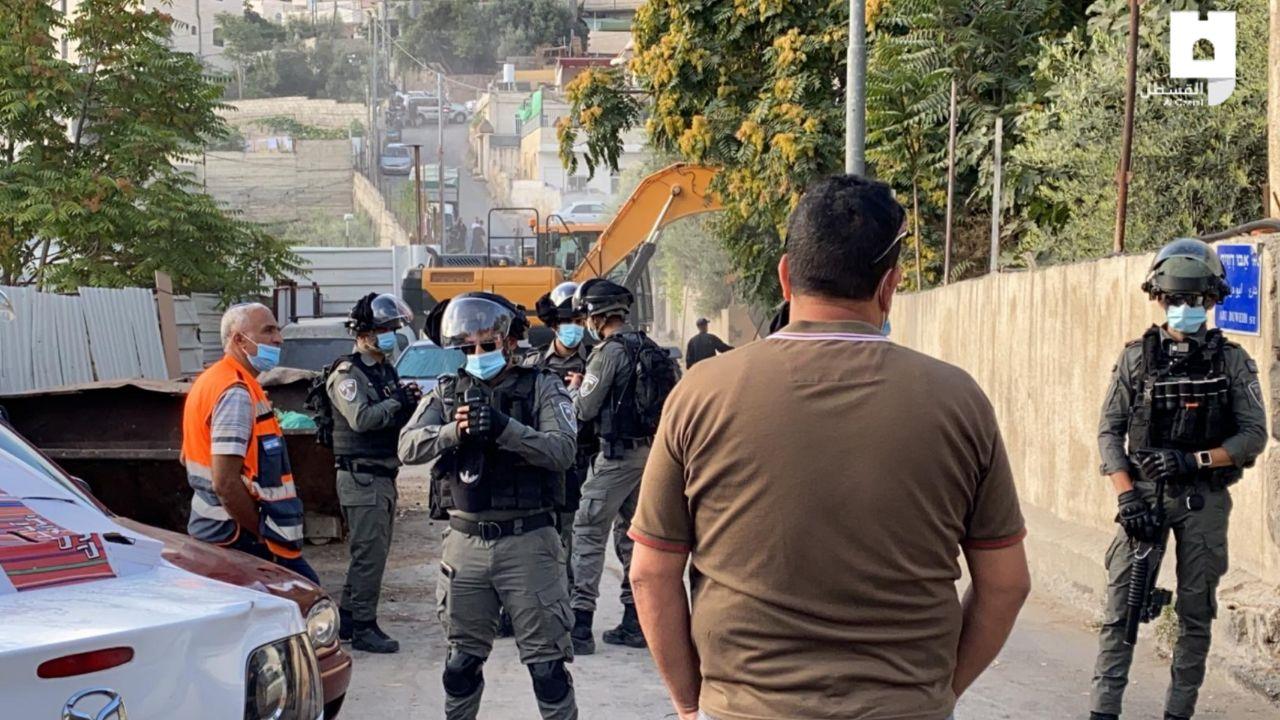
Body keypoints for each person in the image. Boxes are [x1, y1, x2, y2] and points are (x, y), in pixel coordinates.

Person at [628, 175, 1031, 720]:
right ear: (889, 285)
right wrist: (934, 693)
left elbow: (650, 574)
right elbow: (1006, 584)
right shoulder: (958, 400)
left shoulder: (701, 394)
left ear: (785, 276)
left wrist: (690, 705)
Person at [1089, 238, 1267, 720]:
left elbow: (1253, 435)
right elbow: (1109, 432)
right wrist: (1126, 498)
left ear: (1211, 301)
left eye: (1194, 299)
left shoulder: (1232, 361)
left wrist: (1197, 461)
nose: (1184, 308)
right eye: (1175, 299)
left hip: (1202, 500)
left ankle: (1178, 713)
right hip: (1144, 498)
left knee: (1195, 614)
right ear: (1159, 298)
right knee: (1121, 610)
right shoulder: (1137, 358)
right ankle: (1103, 712)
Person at [398, 291, 579, 720]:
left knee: (548, 669)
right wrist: (452, 432)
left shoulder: (542, 386)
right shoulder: (448, 392)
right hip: (465, 543)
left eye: (487, 345)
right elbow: (407, 446)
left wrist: (505, 428)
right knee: (460, 666)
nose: (477, 355)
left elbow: (562, 450)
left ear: (510, 342)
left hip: (528, 541)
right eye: (468, 348)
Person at [182, 303, 317, 583]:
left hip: (216, 530)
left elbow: (187, 456)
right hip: (237, 537)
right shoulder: (235, 392)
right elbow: (225, 483)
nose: (278, 339)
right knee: (306, 594)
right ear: (239, 340)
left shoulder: (214, 380)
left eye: (277, 330)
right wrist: (260, 533)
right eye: (268, 331)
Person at [566, 278, 663, 654]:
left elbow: (584, 409)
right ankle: (635, 622)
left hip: (617, 456)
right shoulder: (648, 346)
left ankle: (580, 626)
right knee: (631, 535)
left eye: (585, 316)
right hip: (649, 454)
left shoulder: (607, 353)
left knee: (588, 530)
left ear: (597, 316)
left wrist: (575, 388)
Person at [326, 293, 420, 654]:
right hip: (360, 477)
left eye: (393, 328)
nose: (391, 335)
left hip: (381, 475)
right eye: (384, 329)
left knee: (370, 554)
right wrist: (397, 401)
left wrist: (405, 402)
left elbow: (389, 417)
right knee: (370, 557)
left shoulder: (383, 369)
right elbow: (361, 419)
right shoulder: (347, 374)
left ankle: (349, 618)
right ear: (363, 334)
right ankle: (364, 626)